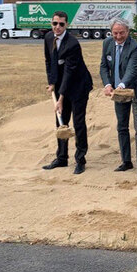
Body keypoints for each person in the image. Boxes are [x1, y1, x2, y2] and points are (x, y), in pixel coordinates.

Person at [43, 10, 94, 174]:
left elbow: (69, 72)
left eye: (61, 24)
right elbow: (49, 62)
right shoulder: (48, 38)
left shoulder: (72, 44)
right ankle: (62, 158)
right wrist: (51, 83)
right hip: (60, 85)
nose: (57, 27)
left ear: (67, 25)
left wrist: (61, 98)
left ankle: (80, 159)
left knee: (78, 123)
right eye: (54, 23)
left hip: (78, 86)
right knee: (61, 122)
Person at [100, 18, 137, 177]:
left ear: (127, 32)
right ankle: (126, 161)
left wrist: (122, 86)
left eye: (121, 33)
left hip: (136, 90)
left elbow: (132, 69)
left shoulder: (134, 46)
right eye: (115, 33)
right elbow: (103, 66)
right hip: (118, 92)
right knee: (121, 126)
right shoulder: (107, 43)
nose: (118, 36)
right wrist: (108, 84)